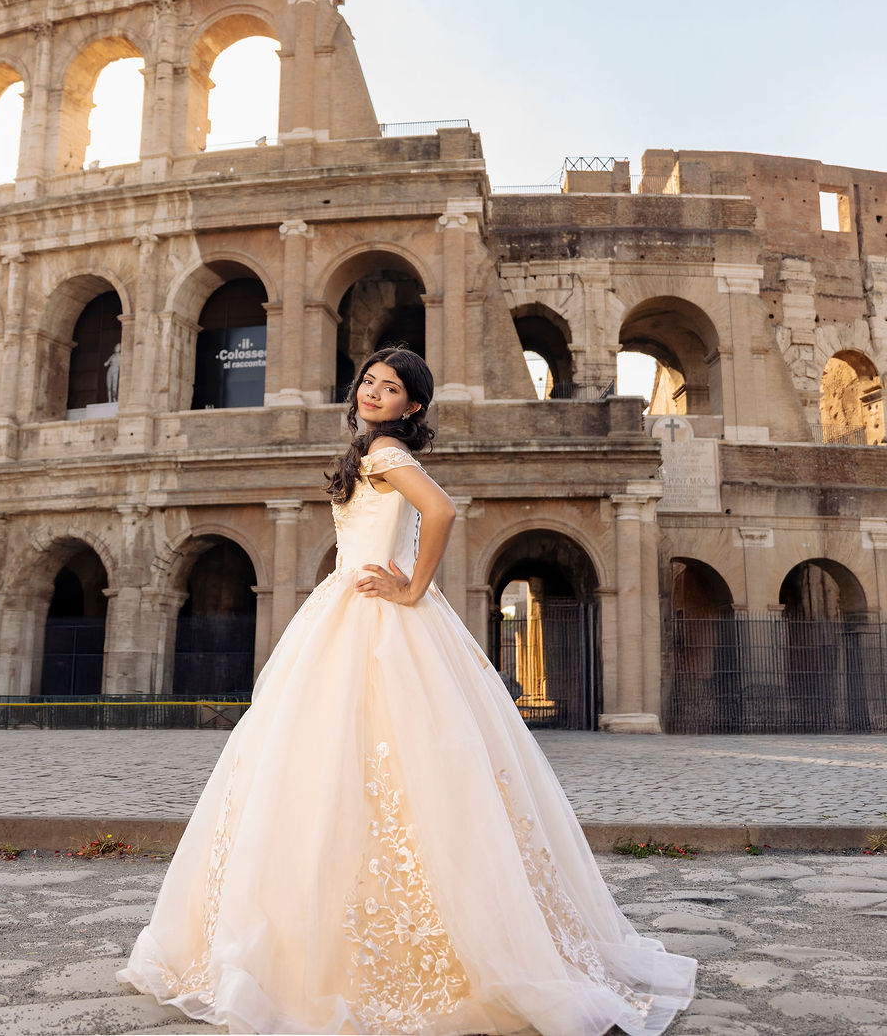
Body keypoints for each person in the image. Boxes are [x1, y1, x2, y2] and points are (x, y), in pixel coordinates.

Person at [118, 346, 696, 1035]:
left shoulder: (386, 452)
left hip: (375, 612)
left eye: (389, 388)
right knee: (373, 763)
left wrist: (412, 585)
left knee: (350, 762)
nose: (372, 392)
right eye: (368, 381)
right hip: (355, 609)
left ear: (411, 405)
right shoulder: (370, 449)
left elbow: (442, 510)